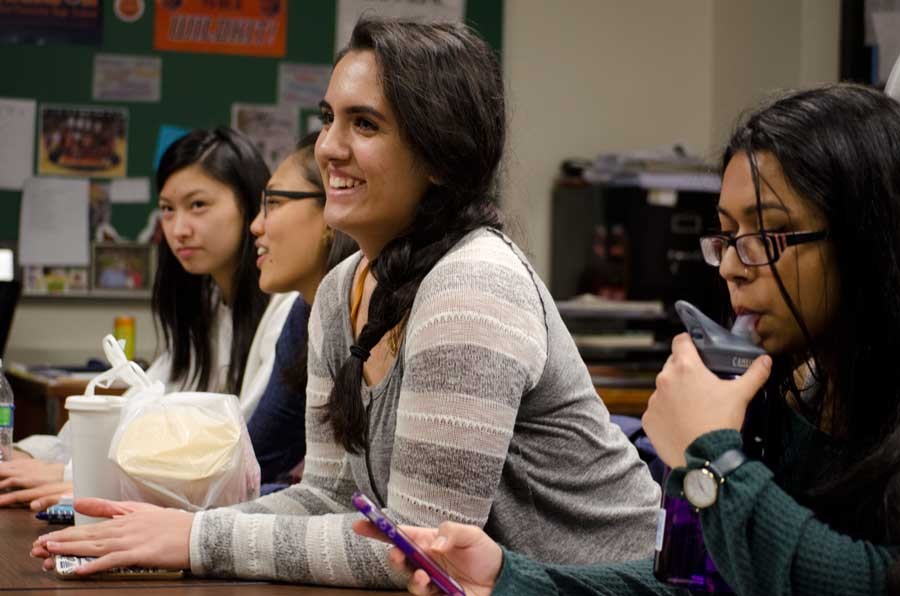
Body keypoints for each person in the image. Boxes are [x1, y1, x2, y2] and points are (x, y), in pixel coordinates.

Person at [29, 19, 660, 588]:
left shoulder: (472, 286)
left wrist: (195, 537)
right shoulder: (343, 286)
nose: (328, 147)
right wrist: (174, 528)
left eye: (364, 124)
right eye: (329, 117)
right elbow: (327, 497)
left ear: (441, 156)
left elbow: (418, 550)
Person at [357, 84, 900, 596]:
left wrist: (713, 455)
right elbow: (693, 583)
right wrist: (506, 578)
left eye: (768, 235)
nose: (732, 265)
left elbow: (871, 583)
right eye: (729, 236)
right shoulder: (788, 400)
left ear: (867, 237)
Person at [1, 128, 288, 509]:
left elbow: (239, 450)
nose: (178, 229)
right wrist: (35, 454)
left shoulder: (285, 310)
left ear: (252, 207)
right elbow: (140, 406)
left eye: (198, 205)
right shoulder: (203, 306)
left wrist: (73, 474)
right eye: (167, 209)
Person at [247, 130, 357, 487]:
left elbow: (346, 500)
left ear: (331, 211)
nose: (256, 225)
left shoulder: (372, 309)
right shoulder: (303, 313)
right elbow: (256, 459)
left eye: (274, 203)